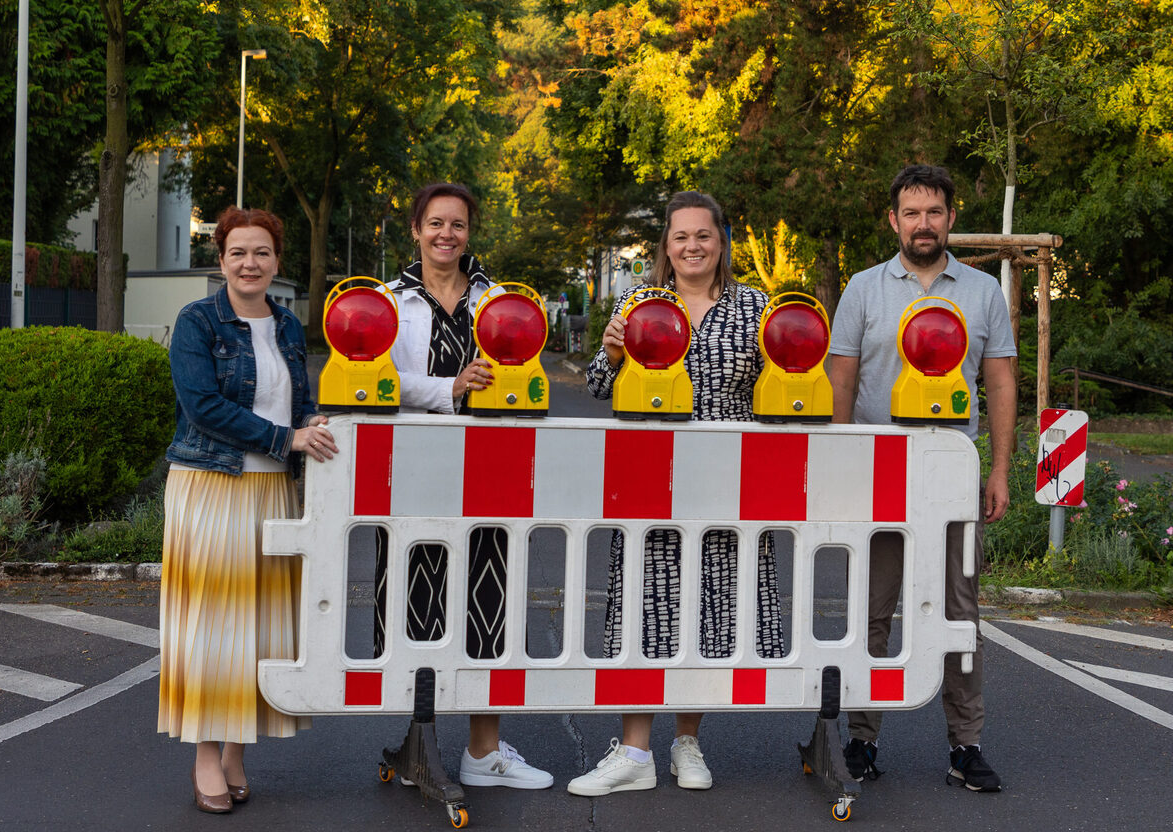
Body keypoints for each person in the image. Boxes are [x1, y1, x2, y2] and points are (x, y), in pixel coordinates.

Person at [569, 191, 784, 796]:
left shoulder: (757, 309)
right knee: (646, 604)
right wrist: (611, 353)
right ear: (666, 245)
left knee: (713, 611)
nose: (692, 246)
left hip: (727, 482)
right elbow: (598, 388)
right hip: (650, 482)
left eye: (703, 235)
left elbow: (784, 387)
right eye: (681, 236)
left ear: (722, 243)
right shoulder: (639, 304)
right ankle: (634, 749)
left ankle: (687, 740)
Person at [829, 164, 1016, 792]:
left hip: (951, 475)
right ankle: (861, 740)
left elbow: (999, 383)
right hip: (877, 474)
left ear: (951, 217)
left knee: (959, 616)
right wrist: (837, 461)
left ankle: (966, 745)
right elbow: (843, 379)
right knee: (873, 612)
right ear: (893, 221)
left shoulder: (984, 291)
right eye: (911, 213)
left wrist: (1000, 470)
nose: (923, 224)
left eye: (934, 212)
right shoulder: (863, 288)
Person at [158, 206, 339, 813]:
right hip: (211, 487)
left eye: (261, 252)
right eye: (238, 252)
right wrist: (285, 438)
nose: (249, 263)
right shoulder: (197, 321)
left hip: (272, 491)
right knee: (211, 627)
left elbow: (300, 399)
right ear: (221, 260)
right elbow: (203, 406)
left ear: (277, 261)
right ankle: (206, 754)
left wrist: (310, 422)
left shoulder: (288, 326)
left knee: (258, 627)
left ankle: (236, 749)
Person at [374, 182, 552, 789]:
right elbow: (373, 380)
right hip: (416, 468)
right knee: (413, 600)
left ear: (469, 233)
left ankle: (483, 751)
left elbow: (525, 374)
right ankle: (417, 740)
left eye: (458, 225)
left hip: (490, 469)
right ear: (416, 230)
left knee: (488, 597)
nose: (447, 235)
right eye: (436, 224)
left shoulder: (500, 299)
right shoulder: (387, 302)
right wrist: (446, 387)